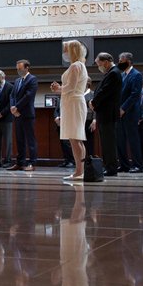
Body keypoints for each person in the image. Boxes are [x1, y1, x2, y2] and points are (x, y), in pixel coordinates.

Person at [50, 40, 91, 181]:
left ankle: (79, 172)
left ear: (72, 50)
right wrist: (60, 88)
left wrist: (58, 89)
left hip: (73, 102)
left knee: (75, 139)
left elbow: (71, 87)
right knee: (76, 138)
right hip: (72, 102)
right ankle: (80, 170)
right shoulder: (79, 65)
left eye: (65, 49)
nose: (64, 53)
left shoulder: (75, 66)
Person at [90, 52, 122, 178]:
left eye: (99, 64)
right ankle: (108, 166)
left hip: (108, 113)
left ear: (106, 62)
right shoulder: (110, 73)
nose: (99, 66)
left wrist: (93, 102)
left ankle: (111, 168)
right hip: (104, 113)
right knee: (106, 142)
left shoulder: (114, 73)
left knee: (108, 142)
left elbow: (104, 92)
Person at [8, 59, 38, 172]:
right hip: (16, 114)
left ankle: (32, 163)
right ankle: (20, 162)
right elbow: (12, 95)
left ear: (26, 68)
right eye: (17, 69)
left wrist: (17, 107)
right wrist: (12, 107)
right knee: (19, 139)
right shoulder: (17, 81)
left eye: (20, 69)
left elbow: (28, 96)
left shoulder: (32, 79)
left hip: (27, 114)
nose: (18, 71)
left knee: (30, 139)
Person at [117, 52, 143, 172]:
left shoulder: (136, 75)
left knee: (133, 139)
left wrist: (123, 108)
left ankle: (138, 165)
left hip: (131, 112)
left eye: (122, 61)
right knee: (120, 139)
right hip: (119, 112)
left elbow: (135, 95)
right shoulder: (122, 75)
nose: (119, 62)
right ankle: (124, 165)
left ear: (129, 61)